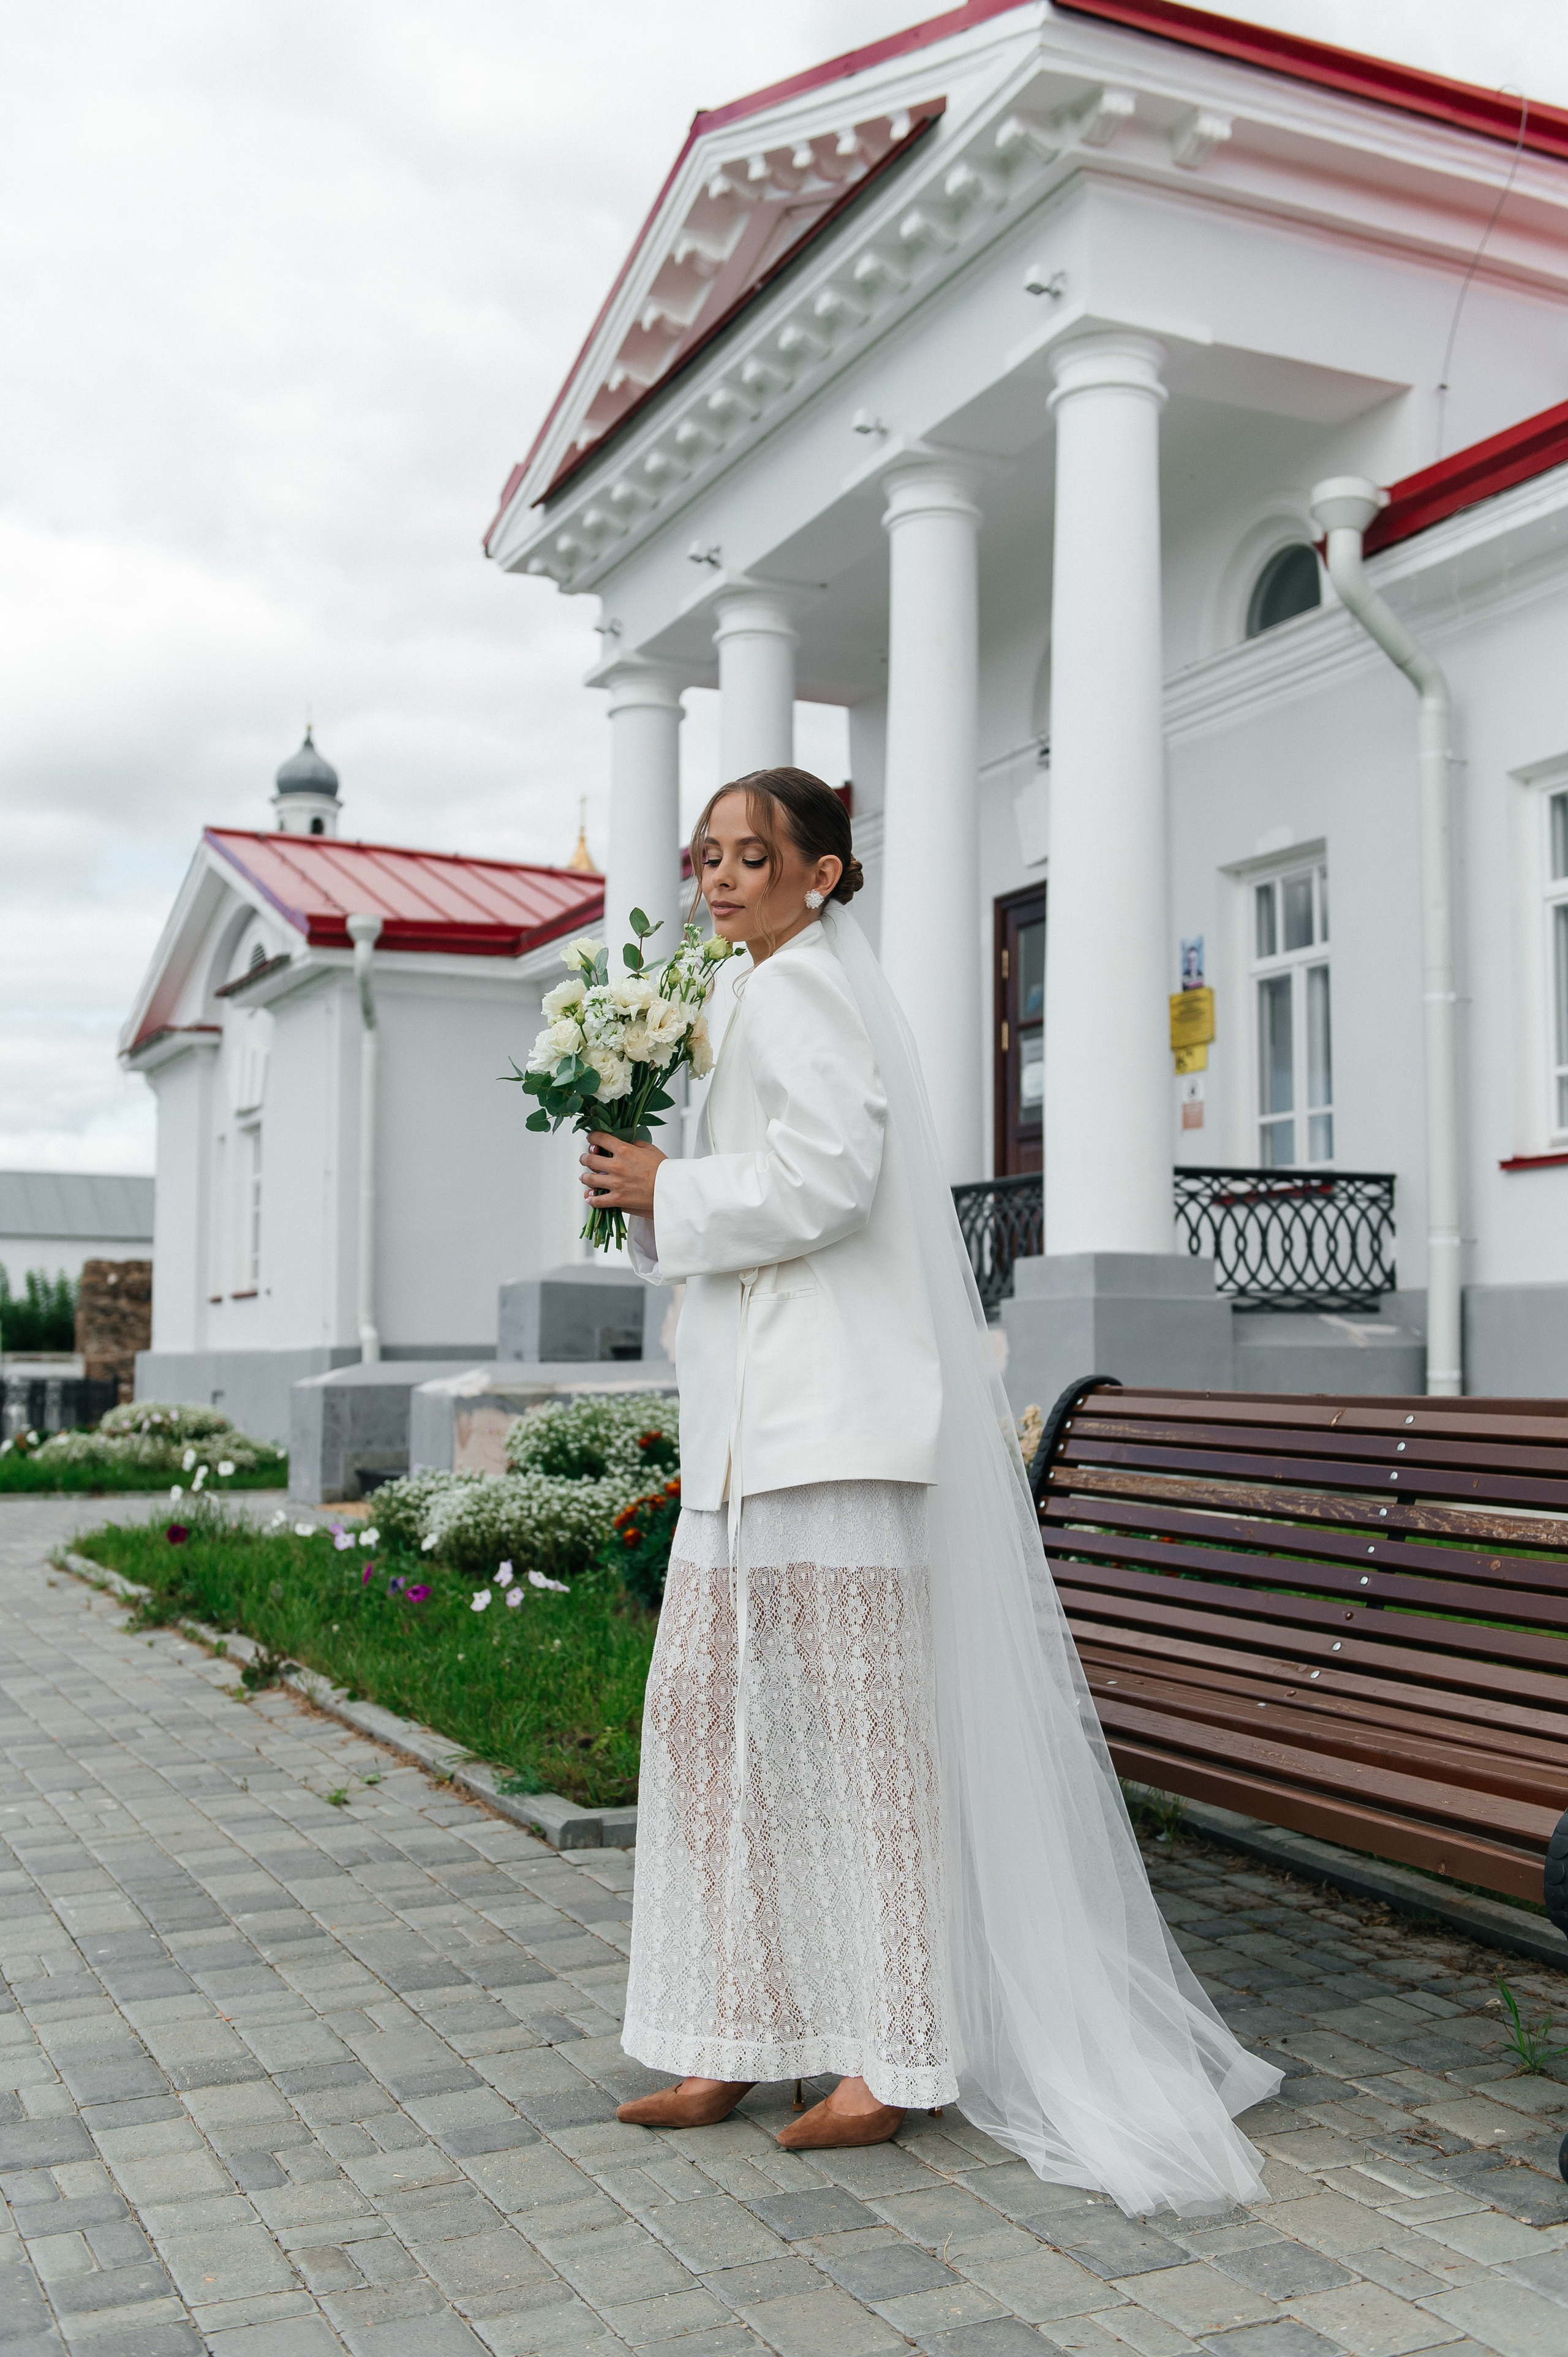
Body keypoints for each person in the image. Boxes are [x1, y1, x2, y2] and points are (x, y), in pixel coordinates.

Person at [579, 767, 1281, 2209]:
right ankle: (732, 2034)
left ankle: (891, 2054)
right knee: (719, 1737)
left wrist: (671, 1190)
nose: (720, 876)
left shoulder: (810, 989)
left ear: (821, 873)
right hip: (743, 1427)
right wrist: (645, 1191)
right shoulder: (735, 993)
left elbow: (831, 1179)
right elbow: (740, 1191)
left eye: (752, 854)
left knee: (859, 1747)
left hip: (828, 1421)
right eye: (706, 855)